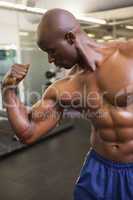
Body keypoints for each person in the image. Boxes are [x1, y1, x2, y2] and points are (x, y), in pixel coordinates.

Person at [2, 8, 133, 200]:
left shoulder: (128, 54)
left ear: (71, 38)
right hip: (99, 170)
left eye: (52, 51)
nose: (50, 60)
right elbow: (28, 132)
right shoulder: (63, 88)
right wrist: (8, 90)